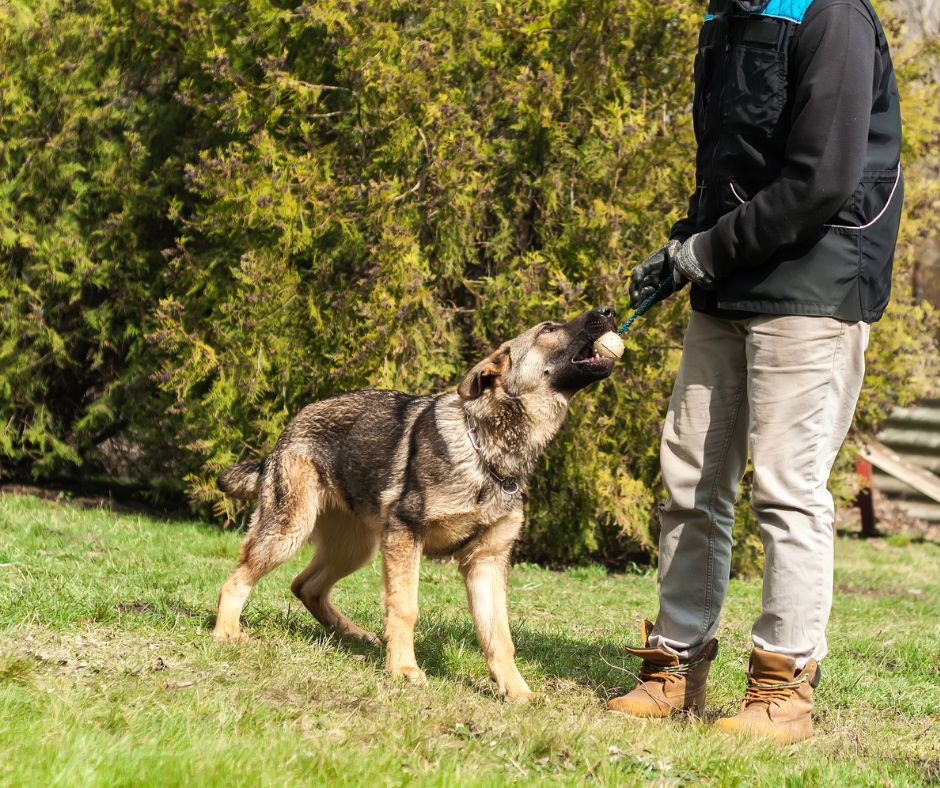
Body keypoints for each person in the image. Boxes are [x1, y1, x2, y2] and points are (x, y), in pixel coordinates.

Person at [606, 0, 903, 744]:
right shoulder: (724, 14)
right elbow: (728, 165)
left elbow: (821, 180)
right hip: (728, 279)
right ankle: (675, 665)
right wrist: (682, 247)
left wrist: (705, 251)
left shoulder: (831, 14)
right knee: (688, 476)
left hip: (814, 280)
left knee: (784, 486)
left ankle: (783, 687)